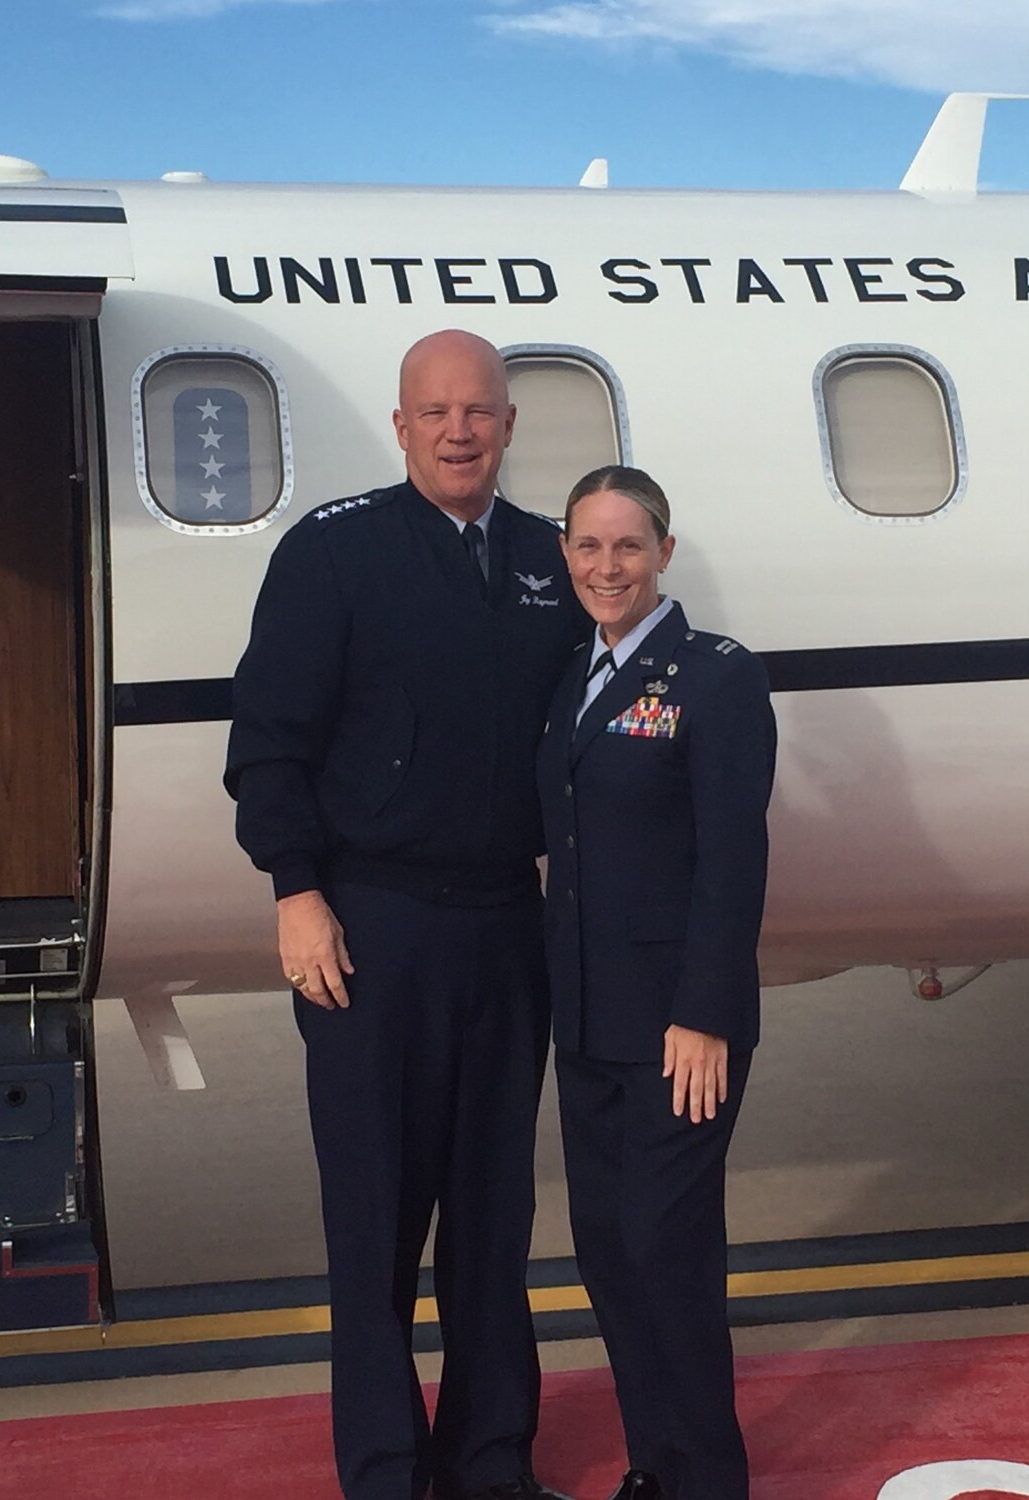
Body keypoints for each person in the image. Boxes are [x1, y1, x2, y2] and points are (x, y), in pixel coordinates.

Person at [225, 330, 587, 1500]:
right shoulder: (334, 555)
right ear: (399, 427)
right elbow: (267, 744)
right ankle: (386, 1470)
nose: (457, 431)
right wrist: (295, 890)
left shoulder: (549, 564)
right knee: (374, 1219)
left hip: (502, 930)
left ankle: (490, 1461)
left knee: (490, 1220)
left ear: (508, 426)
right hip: (367, 932)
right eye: (433, 412)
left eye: (477, 411)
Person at [537, 466, 777, 1500]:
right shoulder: (571, 675)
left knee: (665, 1250)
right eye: (587, 547)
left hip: (679, 1029)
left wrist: (704, 1013)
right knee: (607, 1251)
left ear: (663, 554)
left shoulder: (714, 677)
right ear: (566, 555)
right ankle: (656, 1464)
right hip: (587, 1019)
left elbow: (733, 859)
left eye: (626, 547)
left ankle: (707, 1480)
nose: (606, 567)